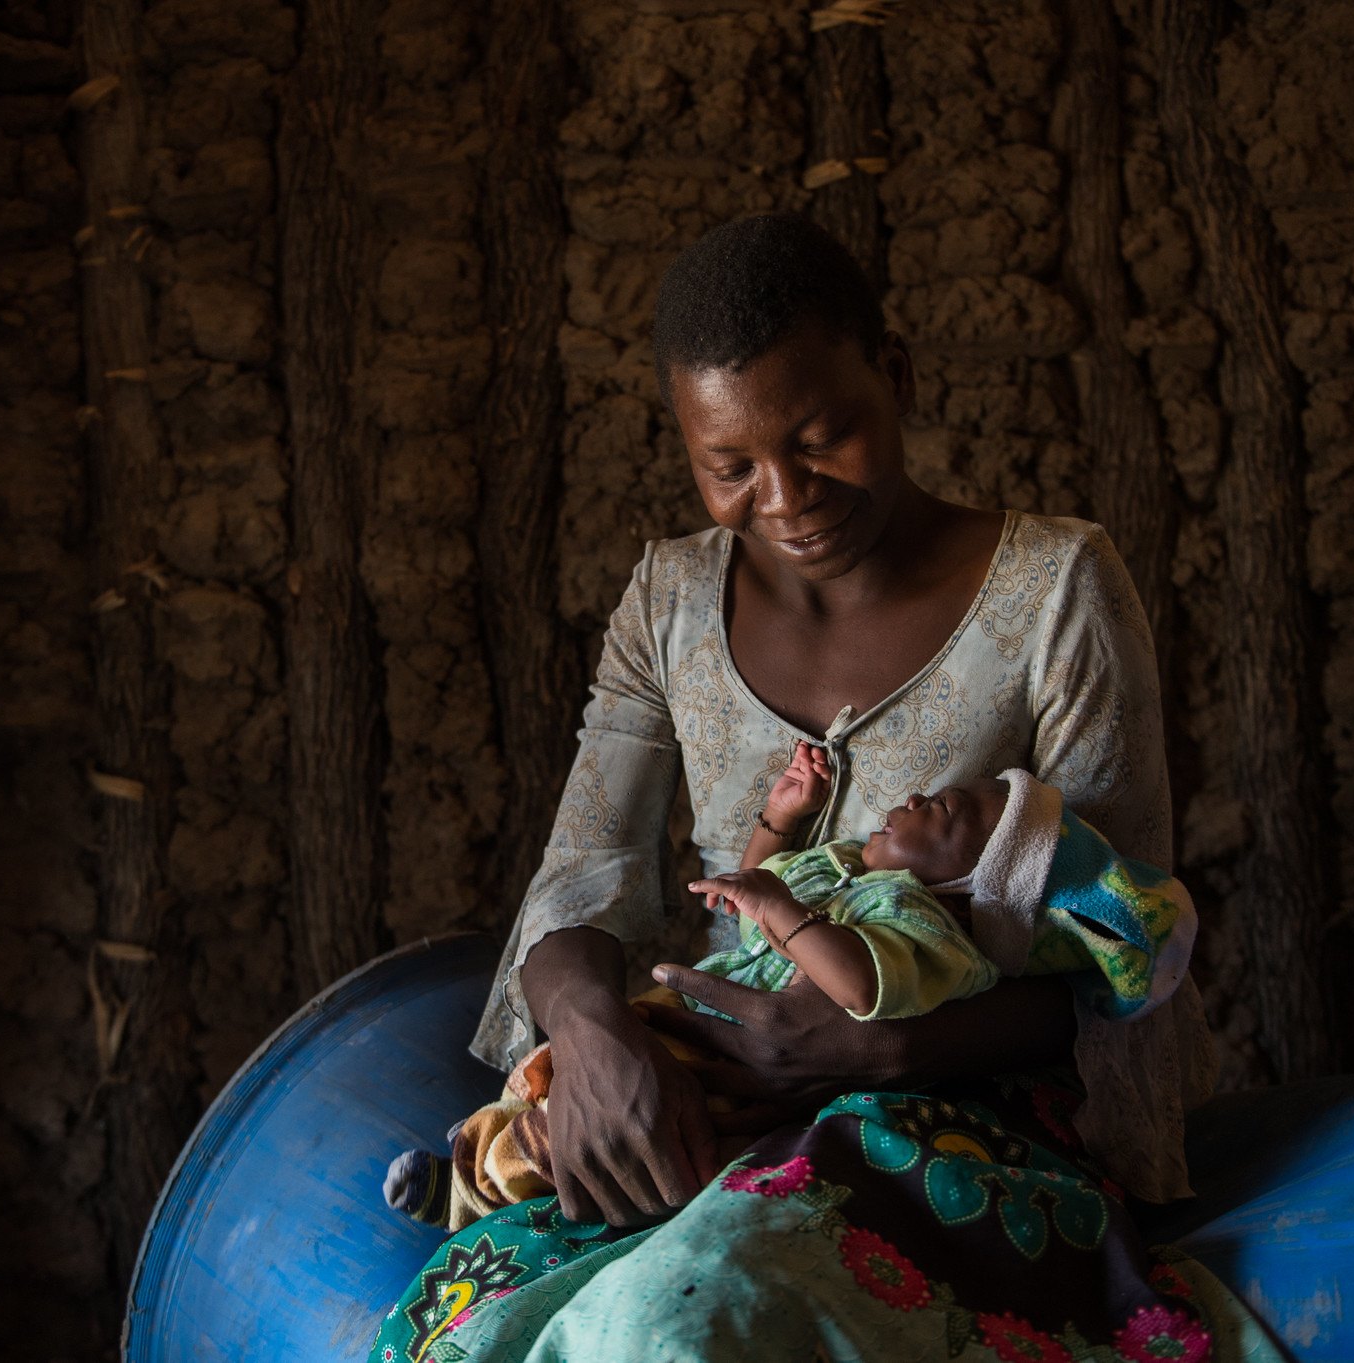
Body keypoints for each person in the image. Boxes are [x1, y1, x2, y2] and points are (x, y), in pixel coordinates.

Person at [368, 215, 1258, 1363]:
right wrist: (594, 1041)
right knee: (457, 1334)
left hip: (963, 1116)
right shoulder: (669, 603)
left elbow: (1121, 944)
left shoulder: (1054, 589)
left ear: (894, 379)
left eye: (822, 437)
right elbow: (580, 874)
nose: (785, 497)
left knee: (675, 1321)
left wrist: (877, 1052)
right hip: (711, 1104)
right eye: (729, 466)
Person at [383, 748, 1197, 1232]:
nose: (912, 797)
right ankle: (486, 1138)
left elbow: (862, 989)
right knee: (569, 1074)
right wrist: (780, 823)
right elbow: (760, 891)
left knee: (576, 1135)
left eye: (941, 812)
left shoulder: (931, 931)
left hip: (732, 1064)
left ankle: (468, 1186)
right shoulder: (848, 875)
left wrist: (785, 914)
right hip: (690, 1017)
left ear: (967, 883)